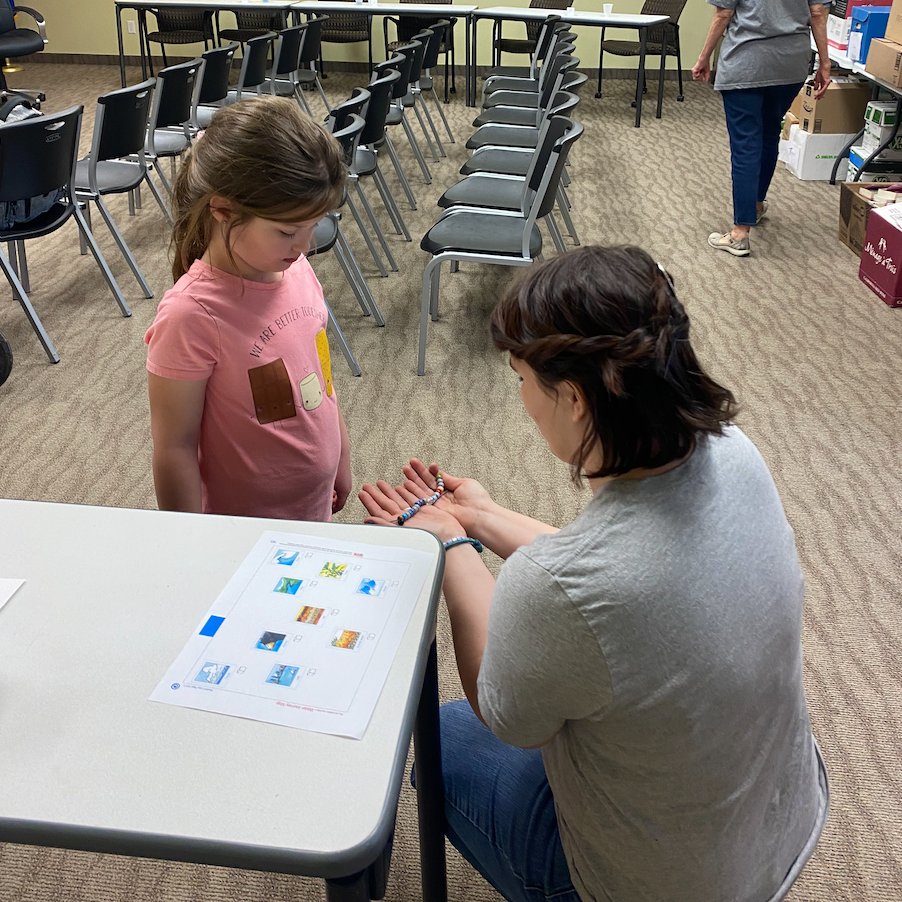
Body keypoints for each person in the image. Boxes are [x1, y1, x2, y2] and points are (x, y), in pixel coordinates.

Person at [360, 246, 829, 902]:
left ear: (575, 399)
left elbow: (506, 712)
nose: (522, 399)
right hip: (780, 819)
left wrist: (452, 546)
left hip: (656, 886)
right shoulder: (733, 453)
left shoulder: (562, 587)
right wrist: (486, 515)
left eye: (521, 378)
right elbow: (613, 579)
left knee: (446, 740)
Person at [145, 97, 352, 521]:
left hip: (313, 507)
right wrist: (189, 541)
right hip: (241, 529)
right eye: (288, 231)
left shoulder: (296, 270)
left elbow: (321, 376)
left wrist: (340, 455)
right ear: (222, 210)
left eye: (313, 226)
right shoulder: (191, 315)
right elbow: (174, 450)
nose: (305, 245)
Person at [692, 0, 832, 258]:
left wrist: (704, 57)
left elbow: (724, 12)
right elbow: (818, 13)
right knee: (769, 134)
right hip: (791, 64)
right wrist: (825, 62)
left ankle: (739, 233)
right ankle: (755, 205)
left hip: (747, 62)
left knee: (746, 143)